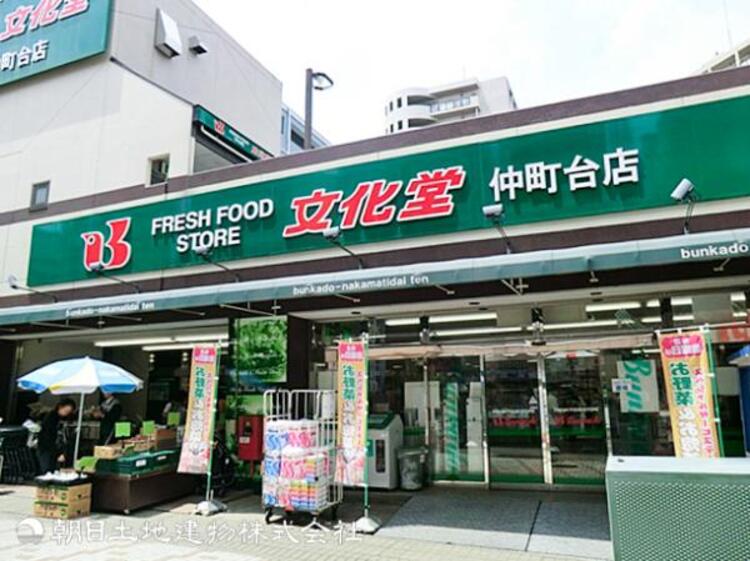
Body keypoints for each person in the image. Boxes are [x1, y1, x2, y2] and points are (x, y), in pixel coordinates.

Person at [37, 398, 76, 474]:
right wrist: (57, 453)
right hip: (46, 448)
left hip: (52, 448)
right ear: (60, 407)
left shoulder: (60, 418)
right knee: (47, 470)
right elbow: (48, 436)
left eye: (68, 412)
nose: (66, 413)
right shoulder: (51, 418)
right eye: (66, 411)